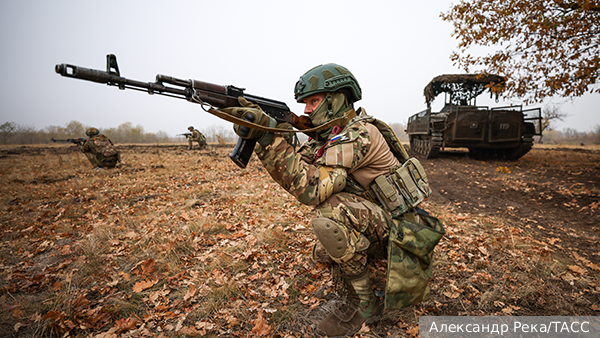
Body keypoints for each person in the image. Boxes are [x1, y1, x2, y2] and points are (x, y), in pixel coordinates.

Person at [221, 64, 444, 337]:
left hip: (405, 234)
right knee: (324, 248)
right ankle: (364, 256)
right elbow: (299, 170)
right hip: (384, 222)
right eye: (305, 103)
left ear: (337, 98)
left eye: (313, 101)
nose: (306, 110)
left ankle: (364, 304)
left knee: (330, 216)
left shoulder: (357, 134)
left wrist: (269, 138)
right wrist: (270, 133)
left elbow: (311, 189)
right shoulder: (330, 136)